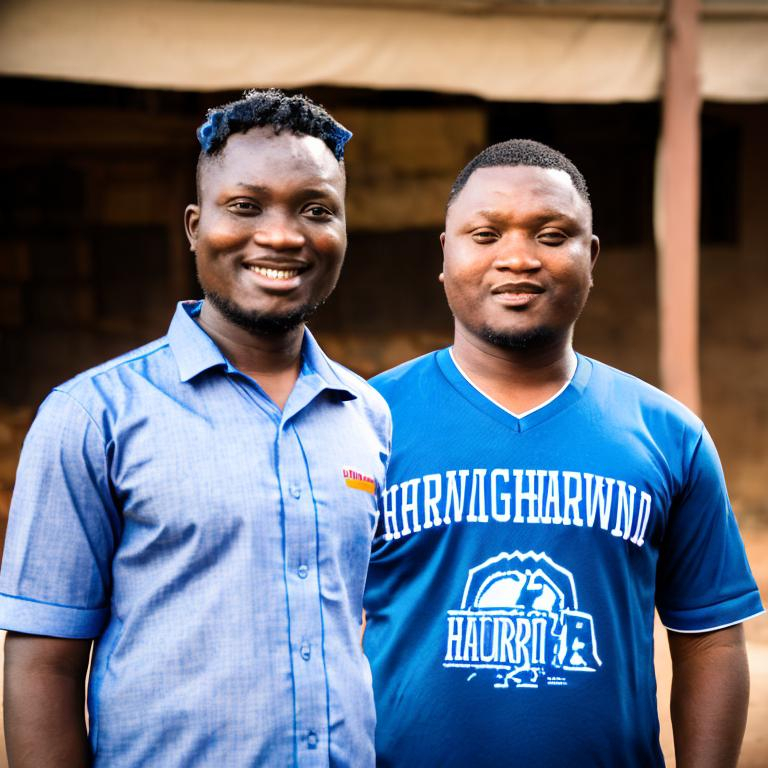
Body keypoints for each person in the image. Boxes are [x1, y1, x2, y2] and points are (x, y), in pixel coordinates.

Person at [0, 89, 390, 767]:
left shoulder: (367, 415)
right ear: (193, 225)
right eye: (245, 206)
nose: (281, 235)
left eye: (315, 209)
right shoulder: (93, 415)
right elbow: (42, 666)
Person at [363, 139, 764, 767]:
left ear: (591, 256)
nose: (517, 257)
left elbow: (709, 639)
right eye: (486, 234)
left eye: (551, 235)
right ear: (446, 254)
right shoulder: (364, 422)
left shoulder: (667, 434)